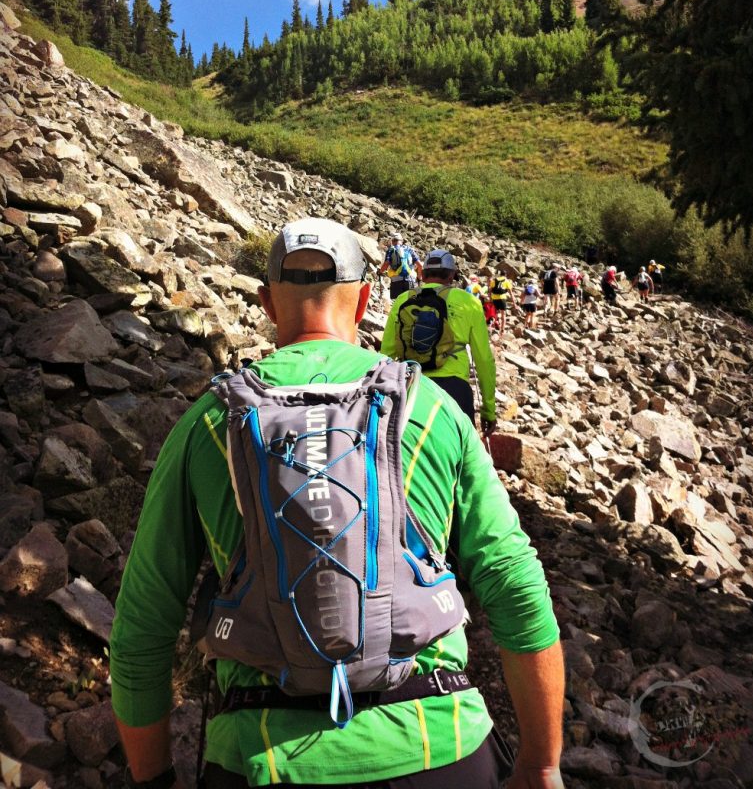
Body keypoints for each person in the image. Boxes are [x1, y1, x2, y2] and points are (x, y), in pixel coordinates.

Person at [110, 218, 565, 789]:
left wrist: (152, 779)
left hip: (261, 757)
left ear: (267, 303)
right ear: (367, 298)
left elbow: (142, 629)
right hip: (436, 744)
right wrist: (541, 762)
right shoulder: (431, 410)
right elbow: (514, 581)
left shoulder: (207, 423)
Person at [381, 249, 497, 435]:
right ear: (451, 275)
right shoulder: (468, 302)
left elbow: (386, 354)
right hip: (455, 389)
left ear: (424, 274)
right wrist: (489, 410)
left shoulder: (404, 299)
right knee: (459, 458)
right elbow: (483, 360)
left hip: (412, 385)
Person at [379, 232, 422, 301]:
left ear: (392, 241)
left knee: (397, 303)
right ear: (401, 241)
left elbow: (386, 264)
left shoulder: (390, 250)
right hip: (410, 281)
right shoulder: (409, 249)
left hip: (396, 282)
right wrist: (419, 278)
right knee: (410, 303)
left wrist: (380, 271)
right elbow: (420, 266)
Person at [488, 271, 515, 335]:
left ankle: (493, 326)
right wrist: (514, 302)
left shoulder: (494, 280)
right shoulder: (506, 281)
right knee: (503, 314)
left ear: (500, 275)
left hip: (495, 298)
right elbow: (511, 292)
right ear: (505, 275)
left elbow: (490, 291)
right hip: (502, 298)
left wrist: (490, 299)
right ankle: (502, 330)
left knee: (496, 313)